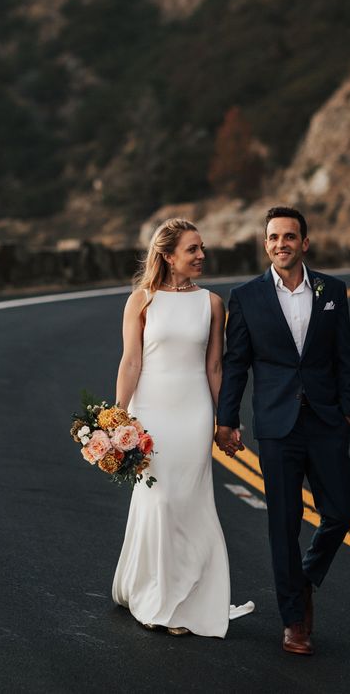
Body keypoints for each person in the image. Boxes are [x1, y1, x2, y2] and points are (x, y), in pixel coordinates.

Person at [215, 206, 350, 655]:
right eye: (274, 237)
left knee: (340, 511)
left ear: (305, 243)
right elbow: (236, 362)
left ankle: (305, 577)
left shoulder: (331, 290)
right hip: (276, 426)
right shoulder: (246, 297)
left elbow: (346, 357)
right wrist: (227, 419)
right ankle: (294, 622)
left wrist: (347, 413)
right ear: (265, 245)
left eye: (290, 236)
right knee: (284, 524)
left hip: (325, 422)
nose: (282, 244)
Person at [112, 218, 248, 637]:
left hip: (193, 413)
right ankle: (155, 595)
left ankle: (187, 598)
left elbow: (214, 366)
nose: (201, 255)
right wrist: (115, 419)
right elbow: (131, 361)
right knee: (161, 501)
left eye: (202, 248)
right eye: (192, 249)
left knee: (189, 502)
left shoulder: (212, 303)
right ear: (168, 256)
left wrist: (225, 419)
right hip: (150, 411)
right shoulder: (142, 299)